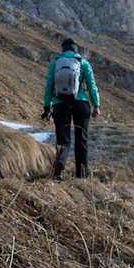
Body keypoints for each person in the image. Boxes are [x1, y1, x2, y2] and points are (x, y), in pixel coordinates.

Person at [41, 38, 101, 179]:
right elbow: (92, 85)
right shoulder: (83, 63)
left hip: (60, 104)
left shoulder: (55, 63)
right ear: (75, 49)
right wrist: (96, 105)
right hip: (81, 104)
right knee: (81, 140)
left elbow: (49, 86)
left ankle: (59, 171)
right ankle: (82, 175)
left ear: (63, 49)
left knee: (63, 140)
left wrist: (46, 106)